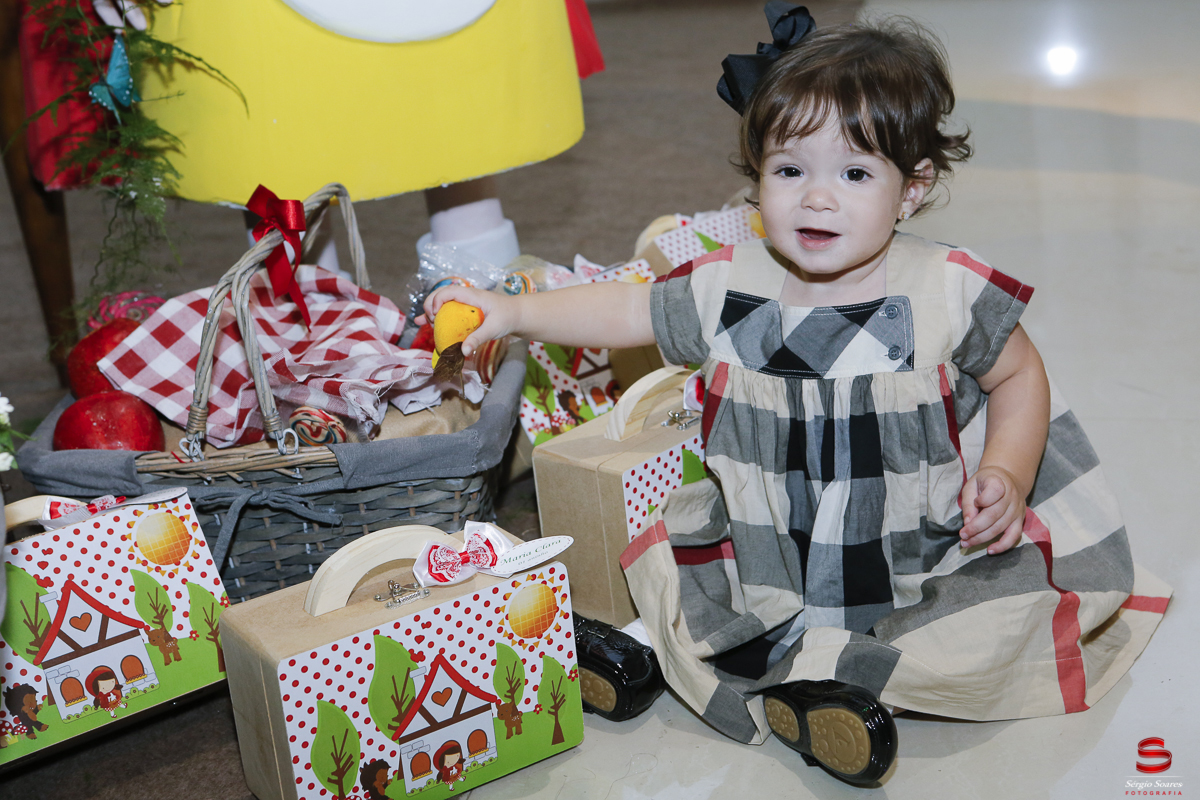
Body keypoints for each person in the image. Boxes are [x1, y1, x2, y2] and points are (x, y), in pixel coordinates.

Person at [422, 5, 1170, 787]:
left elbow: (1019, 375)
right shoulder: (730, 283)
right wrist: (512, 311)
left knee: (972, 629)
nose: (817, 199)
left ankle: (832, 689)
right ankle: (637, 657)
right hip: (770, 546)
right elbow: (626, 308)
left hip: (918, 549)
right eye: (789, 170)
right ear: (756, 175)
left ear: (912, 189)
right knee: (687, 584)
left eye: (854, 174)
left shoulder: (946, 290)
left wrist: (1008, 474)